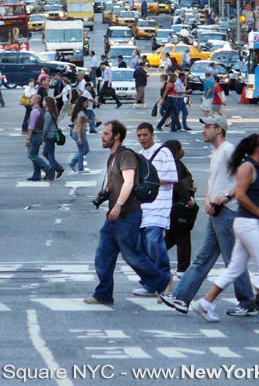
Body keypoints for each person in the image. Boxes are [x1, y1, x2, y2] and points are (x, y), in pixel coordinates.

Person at [190, 134, 259, 325]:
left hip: (247, 223)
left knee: (235, 268)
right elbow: (240, 195)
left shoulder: (258, 168)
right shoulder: (247, 167)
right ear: (256, 148)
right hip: (247, 223)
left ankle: (206, 302)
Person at [160, 116, 257, 317]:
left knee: (231, 260)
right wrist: (207, 200)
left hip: (227, 211)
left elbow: (247, 176)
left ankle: (247, 301)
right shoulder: (216, 153)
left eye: (207, 127)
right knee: (205, 258)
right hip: (216, 212)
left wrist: (226, 196)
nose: (203, 130)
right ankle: (181, 297)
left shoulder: (228, 150)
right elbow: (214, 183)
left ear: (219, 129)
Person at [84, 121, 173, 306]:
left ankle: (163, 282)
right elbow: (116, 184)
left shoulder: (125, 155)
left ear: (117, 136)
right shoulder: (113, 157)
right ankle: (103, 294)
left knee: (132, 255)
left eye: (106, 133)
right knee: (103, 255)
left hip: (127, 214)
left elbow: (129, 182)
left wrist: (118, 205)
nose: (102, 136)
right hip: (114, 217)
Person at [131, 123, 178, 297]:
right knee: (142, 245)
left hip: (160, 205)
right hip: (143, 206)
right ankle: (151, 283)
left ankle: (165, 276)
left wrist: (150, 181)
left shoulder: (164, 152)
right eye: (139, 135)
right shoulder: (139, 156)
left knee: (153, 240)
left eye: (145, 135)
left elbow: (172, 177)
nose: (142, 138)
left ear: (152, 135)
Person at [164, 140, 196, 275]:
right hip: (178, 206)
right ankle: (183, 269)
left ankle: (151, 255)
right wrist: (187, 198)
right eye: (180, 148)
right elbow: (176, 184)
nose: (183, 151)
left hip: (170, 205)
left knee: (171, 237)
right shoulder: (175, 164)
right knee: (183, 238)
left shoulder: (168, 164)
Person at [25, 94, 53, 181]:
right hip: (39, 134)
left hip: (35, 135)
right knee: (35, 154)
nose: (30, 100)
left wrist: (28, 138)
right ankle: (36, 175)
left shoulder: (34, 111)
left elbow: (31, 126)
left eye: (31, 99)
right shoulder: (41, 110)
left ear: (36, 100)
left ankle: (47, 168)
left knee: (31, 155)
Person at [42, 96, 65, 180]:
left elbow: (46, 127)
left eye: (44, 101)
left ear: (47, 103)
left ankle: (51, 174)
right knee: (45, 153)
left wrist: (43, 137)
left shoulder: (48, 114)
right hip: (52, 135)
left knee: (50, 155)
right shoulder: (52, 112)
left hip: (50, 136)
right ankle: (58, 168)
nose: (42, 103)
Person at [69, 96, 91, 173]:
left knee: (83, 150)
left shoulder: (80, 112)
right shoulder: (81, 113)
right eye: (86, 102)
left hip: (78, 132)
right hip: (79, 133)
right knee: (83, 150)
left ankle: (75, 163)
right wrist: (79, 137)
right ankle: (79, 167)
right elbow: (79, 125)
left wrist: (87, 120)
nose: (87, 104)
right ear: (82, 103)